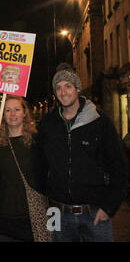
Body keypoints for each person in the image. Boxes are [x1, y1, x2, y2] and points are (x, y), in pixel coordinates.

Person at [34, 63, 129, 242]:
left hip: (95, 212)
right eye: (58, 88)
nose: (63, 92)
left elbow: (119, 167)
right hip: (58, 213)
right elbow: (39, 164)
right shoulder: (48, 124)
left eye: (68, 86)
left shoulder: (100, 122)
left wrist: (109, 207)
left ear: (77, 88)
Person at [0, 95, 38, 242]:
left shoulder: (36, 142)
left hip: (29, 217)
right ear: (3, 115)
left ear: (24, 113)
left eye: (17, 109)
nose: (13, 114)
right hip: (3, 216)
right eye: (8, 110)